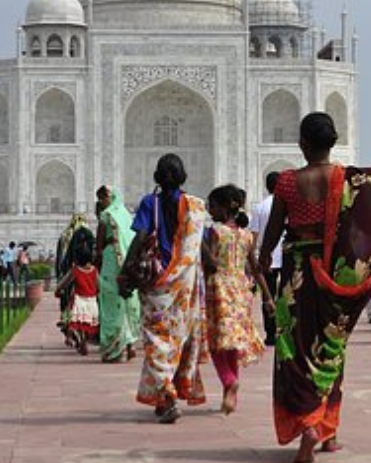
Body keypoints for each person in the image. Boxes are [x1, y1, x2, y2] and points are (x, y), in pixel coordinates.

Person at [259, 112, 371, 463]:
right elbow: (367, 215)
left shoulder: (286, 182)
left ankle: (307, 425)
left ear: (302, 144)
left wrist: (264, 258)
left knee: (293, 350)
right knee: (330, 348)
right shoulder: (345, 180)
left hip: (296, 277)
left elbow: (275, 229)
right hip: (333, 276)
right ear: (333, 142)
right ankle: (327, 432)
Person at [118, 153, 209, 424]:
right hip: (184, 286)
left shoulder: (150, 202)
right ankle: (163, 395)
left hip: (157, 284)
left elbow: (141, 237)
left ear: (157, 176)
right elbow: (201, 248)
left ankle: (167, 396)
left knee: (157, 341)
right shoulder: (196, 206)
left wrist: (126, 272)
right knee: (176, 339)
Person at [202, 184, 269, 415]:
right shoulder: (246, 235)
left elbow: (210, 264)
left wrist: (198, 244)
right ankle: (230, 395)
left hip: (219, 290)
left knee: (216, 343)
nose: (210, 211)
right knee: (233, 344)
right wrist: (268, 298)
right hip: (241, 291)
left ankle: (230, 381)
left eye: (212, 206)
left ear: (223, 208)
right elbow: (256, 269)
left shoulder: (216, 232)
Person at [95, 186, 141, 363]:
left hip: (110, 262)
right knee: (127, 301)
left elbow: (98, 247)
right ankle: (130, 344)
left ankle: (114, 350)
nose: (101, 202)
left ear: (110, 197)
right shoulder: (125, 215)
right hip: (126, 265)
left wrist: (96, 262)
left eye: (102, 198)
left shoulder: (106, 216)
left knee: (110, 302)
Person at [249, 171, 285, 346]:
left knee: (267, 296)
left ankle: (270, 334)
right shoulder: (287, 206)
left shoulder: (260, 207)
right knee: (285, 296)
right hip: (285, 258)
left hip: (266, 258)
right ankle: (284, 332)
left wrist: (255, 257)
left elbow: (253, 237)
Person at [55, 241, 99, 355]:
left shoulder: (76, 270)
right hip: (92, 300)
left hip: (79, 299)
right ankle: (84, 341)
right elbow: (99, 285)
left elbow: (64, 282)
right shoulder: (94, 270)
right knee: (88, 323)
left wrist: (58, 290)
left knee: (75, 321)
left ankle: (73, 338)